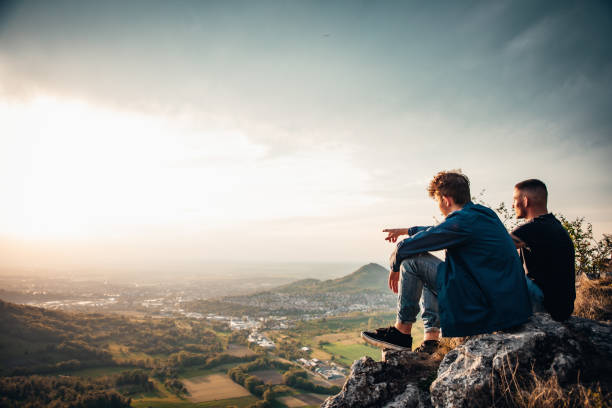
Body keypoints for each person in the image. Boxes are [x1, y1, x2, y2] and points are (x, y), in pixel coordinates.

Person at [361, 170, 532, 353]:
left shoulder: (463, 221)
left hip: (488, 306)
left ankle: (401, 333)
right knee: (439, 270)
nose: (439, 207)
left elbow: (406, 248)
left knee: (413, 262)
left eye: (437, 202)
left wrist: (395, 267)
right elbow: (438, 230)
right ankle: (431, 340)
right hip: (507, 304)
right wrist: (406, 230)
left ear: (445, 199)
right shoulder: (482, 214)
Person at [510, 179, 575, 321]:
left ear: (525, 201)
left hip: (546, 305)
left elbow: (495, 245)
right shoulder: (554, 225)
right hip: (562, 307)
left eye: (515, 199)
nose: (512, 205)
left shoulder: (532, 228)